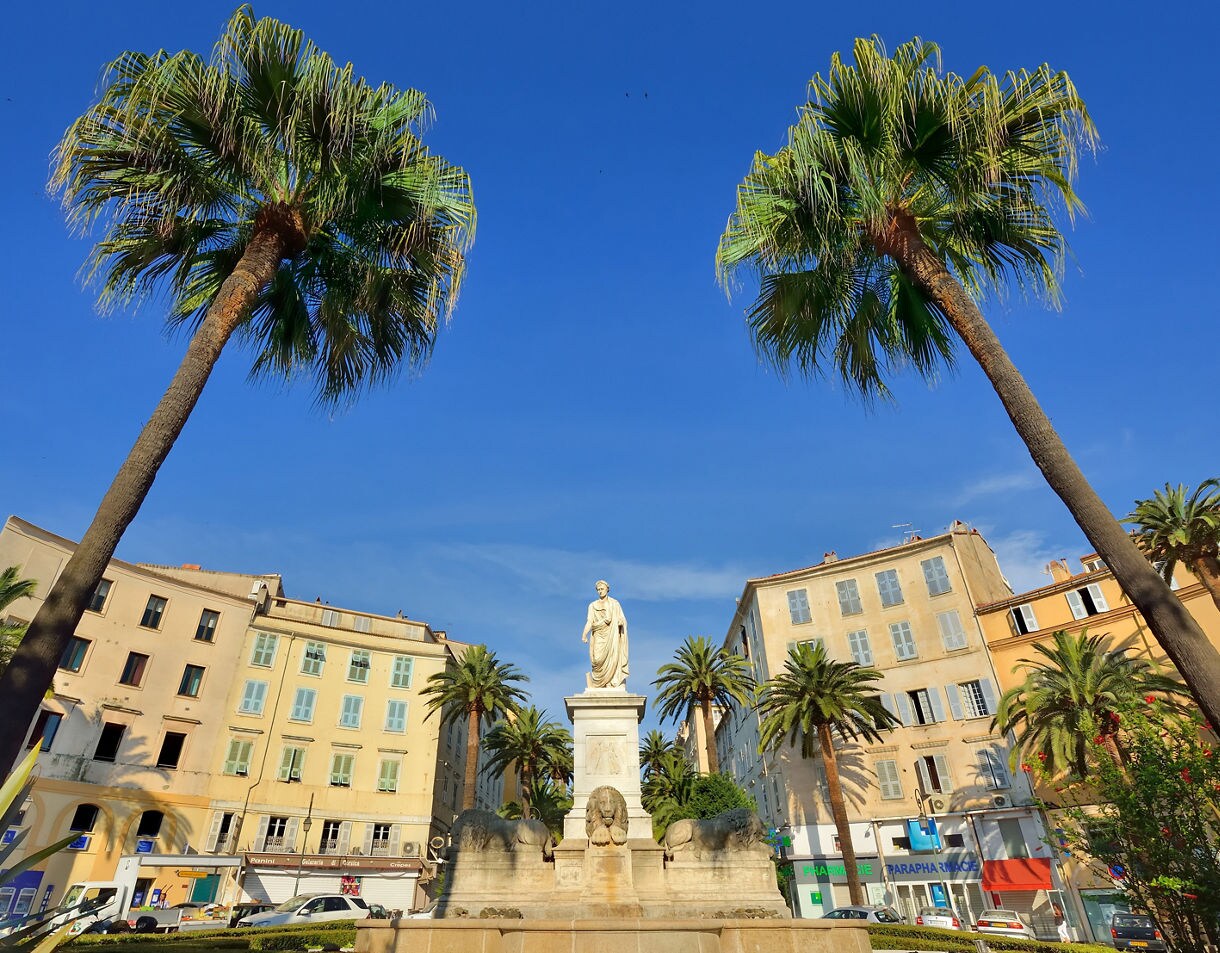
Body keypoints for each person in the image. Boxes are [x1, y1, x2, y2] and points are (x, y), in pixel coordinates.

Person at [581, 580, 629, 689]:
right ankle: (599, 683)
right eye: (598, 590)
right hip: (598, 635)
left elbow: (622, 619)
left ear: (607, 589)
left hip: (612, 637)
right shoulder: (592, 605)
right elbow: (589, 621)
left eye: (602, 589)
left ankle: (611, 682)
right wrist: (584, 634)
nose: (600, 591)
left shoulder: (614, 604)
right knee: (597, 660)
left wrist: (621, 622)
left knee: (613, 659)